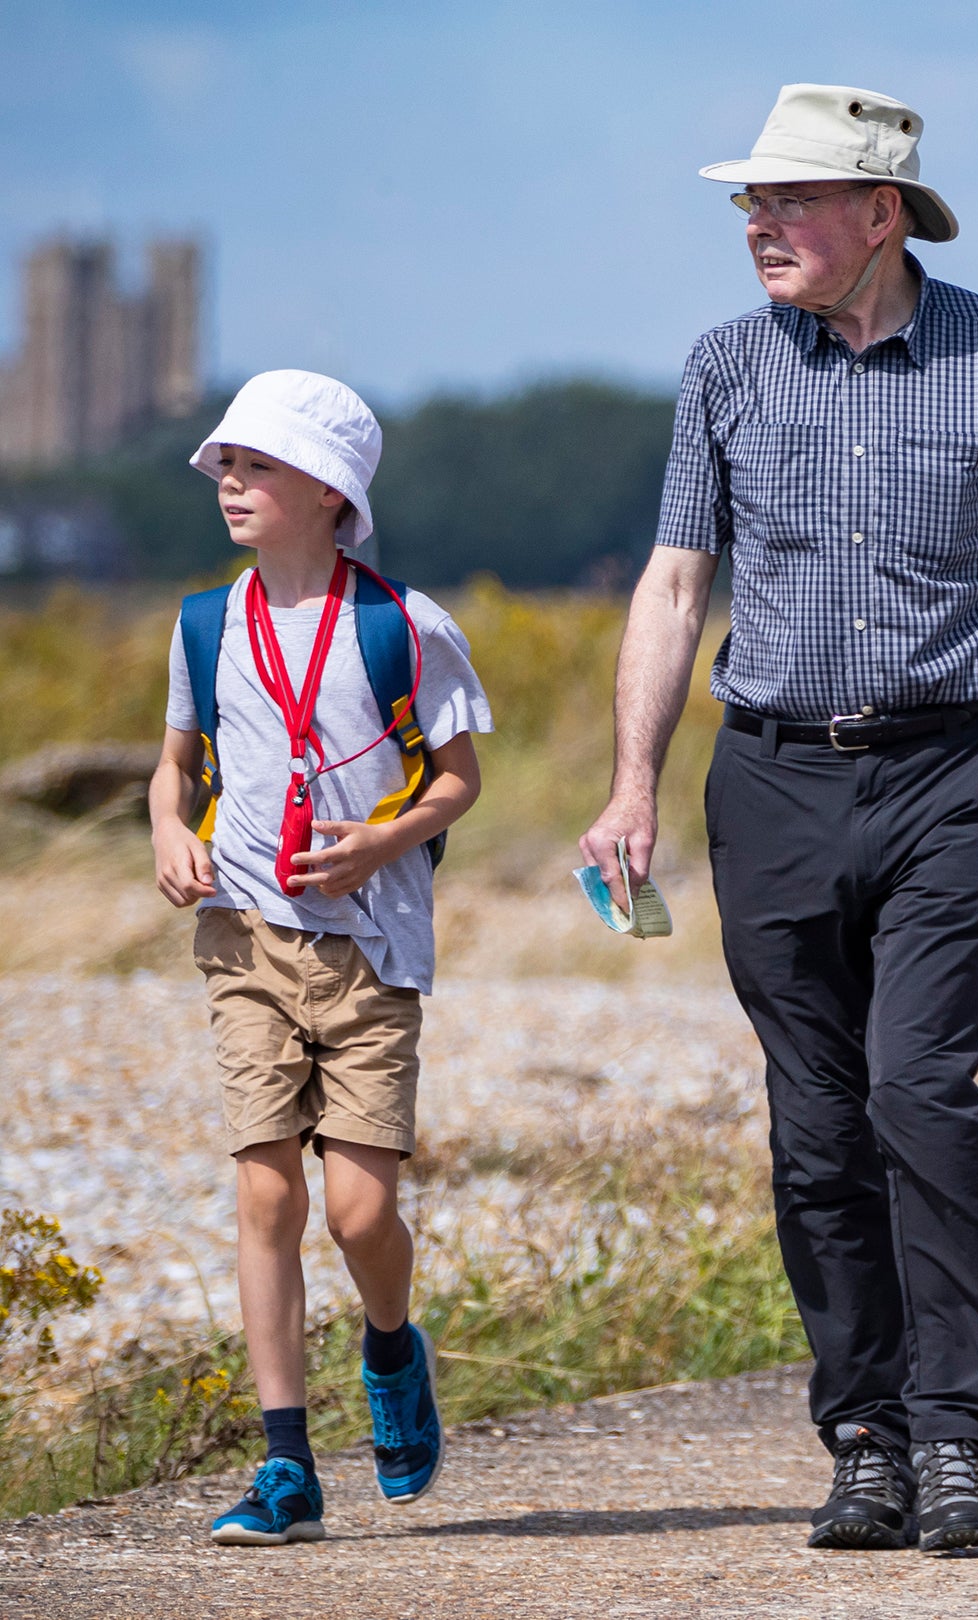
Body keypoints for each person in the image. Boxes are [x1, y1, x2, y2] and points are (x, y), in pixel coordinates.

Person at [577, 84, 978, 1553]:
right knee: (815, 1123)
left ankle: (959, 1439)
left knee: (920, 1092)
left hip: (952, 771)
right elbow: (676, 581)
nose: (757, 224)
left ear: (882, 213)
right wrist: (632, 783)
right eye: (750, 202)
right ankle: (864, 1432)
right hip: (773, 776)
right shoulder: (725, 369)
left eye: (790, 199)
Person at [145, 370, 491, 1545]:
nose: (232, 484)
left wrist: (384, 840)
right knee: (267, 1192)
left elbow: (458, 780)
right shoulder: (207, 620)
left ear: (331, 492)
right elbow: (177, 762)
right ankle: (285, 1463)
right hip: (243, 936)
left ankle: (391, 1351)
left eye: (258, 467)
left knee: (355, 1213)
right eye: (227, 467)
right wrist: (164, 834)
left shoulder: (405, 625)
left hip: (373, 947)